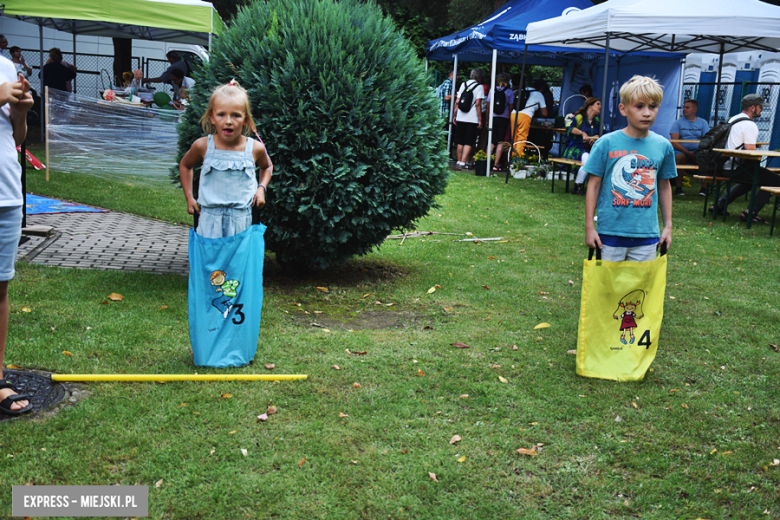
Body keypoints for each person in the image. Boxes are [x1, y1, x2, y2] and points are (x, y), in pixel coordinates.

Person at [584, 75, 677, 262]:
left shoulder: (663, 146)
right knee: (607, 289)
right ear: (623, 109)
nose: (647, 113)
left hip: (647, 236)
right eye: (639, 106)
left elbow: (664, 186)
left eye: (653, 106)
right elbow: (593, 186)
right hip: (609, 234)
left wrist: (667, 226)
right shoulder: (606, 143)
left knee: (639, 290)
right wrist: (589, 227)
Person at [179, 81, 273, 239]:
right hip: (209, 222)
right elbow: (185, 165)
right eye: (221, 114)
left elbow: (267, 166)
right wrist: (189, 198)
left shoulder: (254, 148)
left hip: (243, 223)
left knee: (240, 264)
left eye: (236, 115)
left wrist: (261, 188)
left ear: (245, 120)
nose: (228, 121)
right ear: (212, 118)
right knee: (209, 262)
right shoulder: (203, 146)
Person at [0, 58, 34, 415]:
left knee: (0, 288)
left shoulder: (6, 66)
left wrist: (20, 113)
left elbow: (15, 138)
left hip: (6, 192)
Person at [713, 93, 780, 223]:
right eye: (760, 106)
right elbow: (750, 152)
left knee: (751, 179)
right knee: (775, 181)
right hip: (735, 167)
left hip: (722, 165)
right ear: (753, 108)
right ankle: (751, 212)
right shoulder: (749, 125)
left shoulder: (732, 119)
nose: (762, 109)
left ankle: (719, 205)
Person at [669, 99, 709, 195]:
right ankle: (678, 188)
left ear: (694, 110)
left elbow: (706, 140)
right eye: (684, 107)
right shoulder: (677, 123)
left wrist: (698, 152)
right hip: (681, 151)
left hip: (698, 151)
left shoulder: (703, 122)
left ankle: (703, 189)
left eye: (687, 107)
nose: (684, 109)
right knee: (680, 158)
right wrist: (688, 153)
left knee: (707, 157)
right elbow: (674, 142)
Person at [563, 97, 601, 195]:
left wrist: (596, 136)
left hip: (590, 148)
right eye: (598, 104)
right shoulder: (579, 117)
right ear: (590, 105)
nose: (600, 106)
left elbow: (602, 133)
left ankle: (584, 186)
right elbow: (569, 128)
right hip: (577, 147)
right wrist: (582, 133)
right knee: (587, 159)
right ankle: (577, 185)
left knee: (593, 158)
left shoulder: (596, 120)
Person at [452, 69, 484, 170]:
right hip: (472, 118)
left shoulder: (463, 84)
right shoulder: (479, 87)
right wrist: (480, 119)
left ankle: (458, 160)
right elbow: (478, 104)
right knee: (468, 141)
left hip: (461, 116)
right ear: (479, 77)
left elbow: (457, 101)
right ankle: (463, 162)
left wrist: (455, 115)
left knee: (460, 140)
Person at [509, 77, 547, 160]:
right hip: (525, 116)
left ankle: (511, 159)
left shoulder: (521, 90)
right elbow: (545, 113)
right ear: (541, 88)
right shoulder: (539, 94)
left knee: (514, 138)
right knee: (522, 138)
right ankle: (517, 161)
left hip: (513, 114)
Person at [485, 73, 514, 171]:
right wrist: (510, 120)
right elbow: (511, 108)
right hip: (504, 118)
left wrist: (487, 119)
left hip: (493, 117)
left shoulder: (492, 90)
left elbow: (488, 106)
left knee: (491, 141)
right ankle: (496, 165)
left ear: (497, 80)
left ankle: (487, 162)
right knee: (500, 141)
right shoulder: (510, 92)